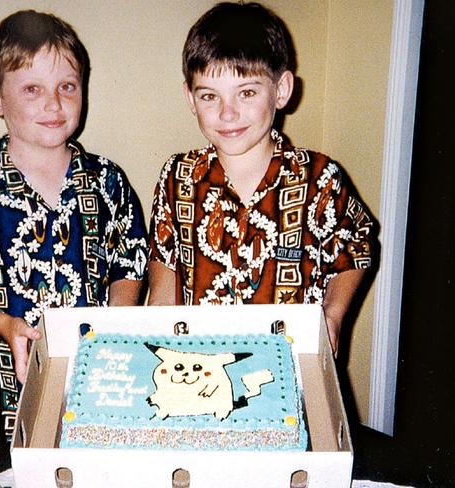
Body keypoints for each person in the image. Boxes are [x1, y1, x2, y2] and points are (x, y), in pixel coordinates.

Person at [0, 10, 148, 471]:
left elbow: (130, 265)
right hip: (6, 407)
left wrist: (114, 324)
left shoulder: (107, 181)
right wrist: (0, 323)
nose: (54, 105)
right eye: (31, 89)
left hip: (102, 396)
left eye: (67, 86)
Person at [148, 2, 378, 357]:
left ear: (282, 89)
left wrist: (333, 315)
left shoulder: (317, 177)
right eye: (209, 96)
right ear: (190, 99)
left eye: (247, 93)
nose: (227, 113)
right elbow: (165, 261)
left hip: (289, 362)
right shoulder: (178, 176)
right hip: (199, 365)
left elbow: (356, 247)